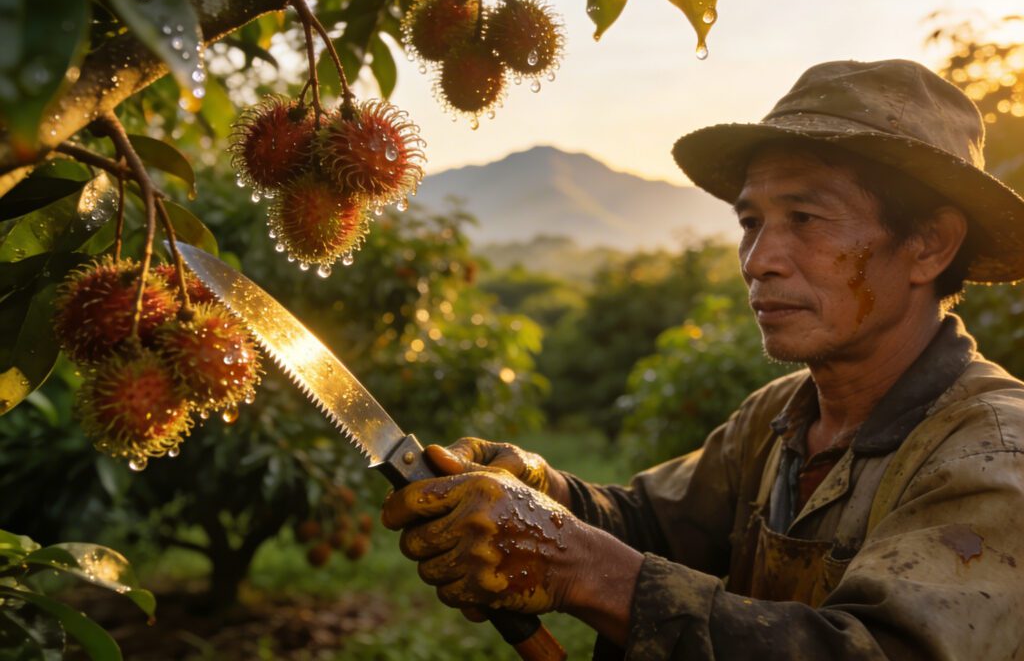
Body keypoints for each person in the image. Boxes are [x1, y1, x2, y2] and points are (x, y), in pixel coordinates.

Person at [381, 59, 1024, 659]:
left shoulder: (992, 455)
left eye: (804, 216)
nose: (757, 260)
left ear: (930, 244)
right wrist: (542, 491)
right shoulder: (779, 417)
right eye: (750, 222)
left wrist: (584, 567)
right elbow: (652, 523)